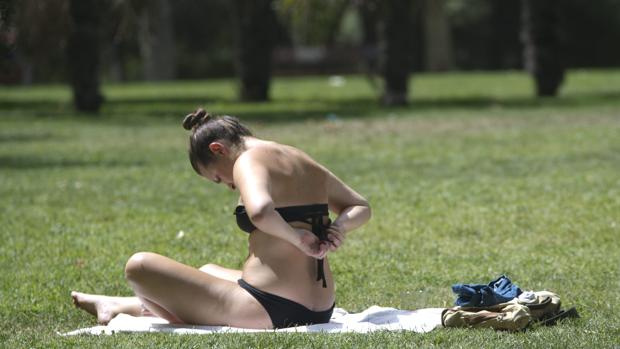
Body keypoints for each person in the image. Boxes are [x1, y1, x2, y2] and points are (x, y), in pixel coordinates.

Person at [71, 108, 371, 329]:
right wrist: (339, 227)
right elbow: (359, 206)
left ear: (219, 149)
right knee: (208, 270)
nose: (229, 186)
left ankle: (124, 305)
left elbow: (261, 211)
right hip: (320, 308)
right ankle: (120, 305)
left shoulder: (247, 160)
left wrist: (299, 240)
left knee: (138, 266)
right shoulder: (299, 156)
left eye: (218, 178)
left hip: (272, 309)